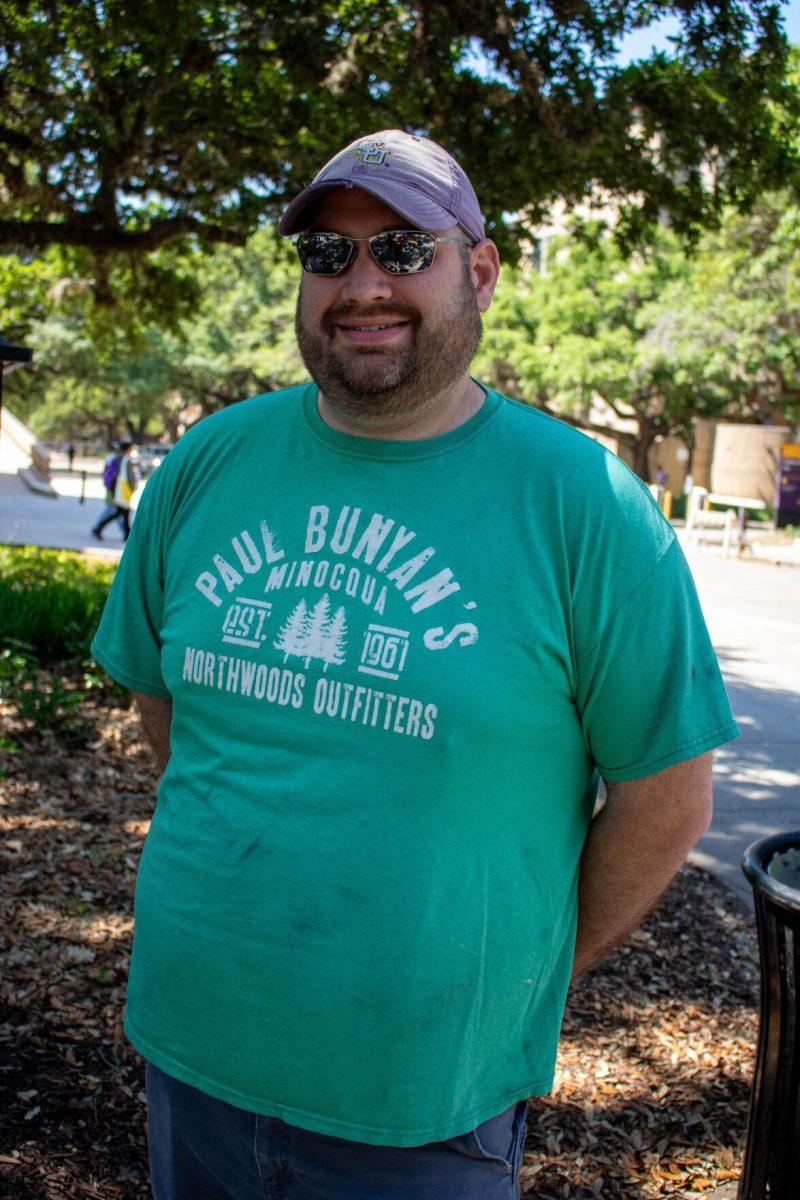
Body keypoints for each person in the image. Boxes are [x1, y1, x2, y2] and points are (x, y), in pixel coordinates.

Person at [90, 130, 739, 1200]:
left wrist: (524, 979)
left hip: (421, 1098)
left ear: (476, 271)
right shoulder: (210, 460)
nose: (360, 286)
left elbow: (666, 797)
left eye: (401, 249)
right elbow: (171, 710)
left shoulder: (584, 505)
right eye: (327, 256)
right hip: (192, 1044)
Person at [91, 440, 138, 542]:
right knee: (119, 512)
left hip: (116, 489)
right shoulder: (125, 460)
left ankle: (127, 534)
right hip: (122, 490)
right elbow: (129, 476)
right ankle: (98, 529)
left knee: (123, 512)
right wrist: (133, 487)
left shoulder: (115, 458)